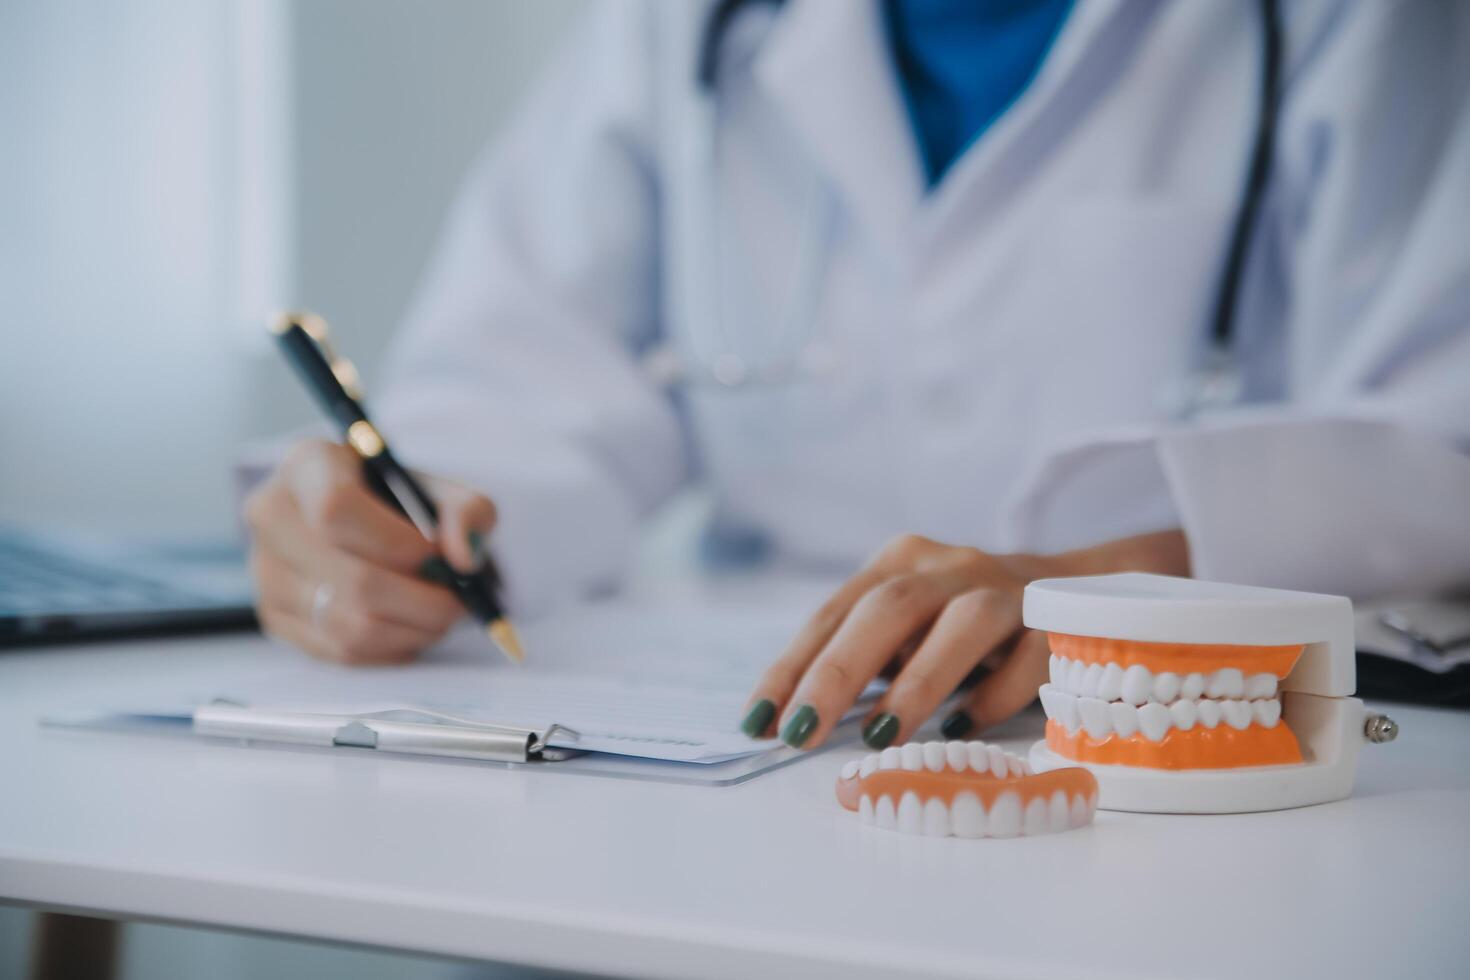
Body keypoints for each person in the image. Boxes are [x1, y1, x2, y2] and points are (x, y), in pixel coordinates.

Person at [245, 0, 1470, 753]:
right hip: (762, 746)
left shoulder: (1363, 25)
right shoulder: (684, 26)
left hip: (1177, 745)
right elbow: (520, 381)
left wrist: (1117, 584)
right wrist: (404, 522)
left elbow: (1444, 439)